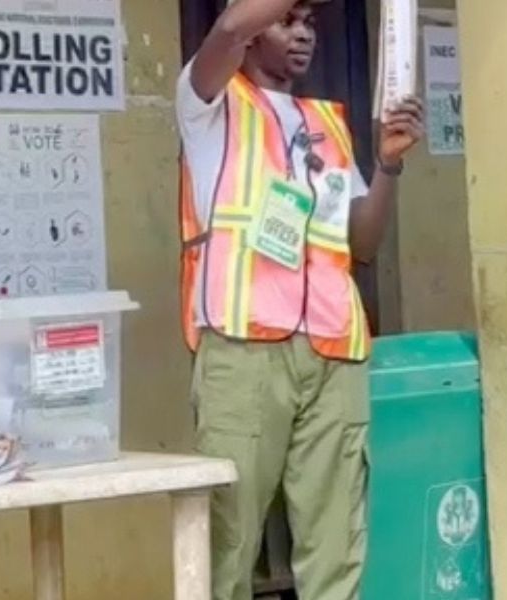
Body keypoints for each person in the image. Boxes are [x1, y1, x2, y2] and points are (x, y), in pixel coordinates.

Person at [177, 1, 424, 599]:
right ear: (256, 29)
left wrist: (388, 165)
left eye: (311, 23)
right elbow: (230, 26)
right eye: (290, 20)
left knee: (336, 542)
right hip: (243, 347)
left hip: (334, 349)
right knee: (229, 540)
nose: (304, 34)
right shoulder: (209, 103)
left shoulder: (327, 124)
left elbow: (360, 242)